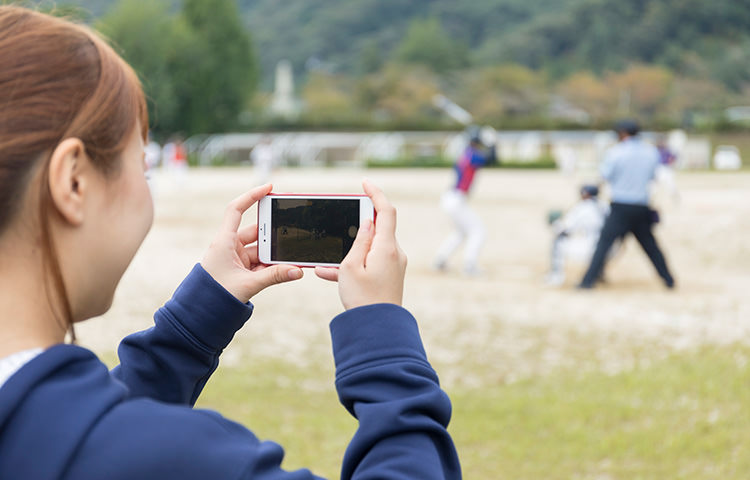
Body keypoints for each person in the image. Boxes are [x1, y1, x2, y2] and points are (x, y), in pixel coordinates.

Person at [0, 6, 460, 479]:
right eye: (143, 164)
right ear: (73, 182)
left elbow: (65, 430)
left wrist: (195, 322)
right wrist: (382, 331)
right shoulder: (177, 456)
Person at [577, 120, 675, 289]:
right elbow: (653, 176)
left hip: (620, 206)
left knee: (604, 244)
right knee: (651, 247)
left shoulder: (616, 152)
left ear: (622, 133)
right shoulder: (650, 152)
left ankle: (588, 282)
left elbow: (604, 176)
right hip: (641, 206)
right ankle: (669, 280)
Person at [434, 127, 496, 276]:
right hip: (456, 199)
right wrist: (493, 143)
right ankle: (470, 266)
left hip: (451, 197)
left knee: (460, 232)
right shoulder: (473, 155)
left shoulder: (466, 153)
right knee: (478, 231)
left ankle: (440, 260)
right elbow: (492, 160)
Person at [545, 185, 609, 286]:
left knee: (558, 241)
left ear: (585, 194)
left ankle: (556, 276)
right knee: (600, 240)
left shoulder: (582, 207)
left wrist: (554, 223)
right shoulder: (606, 206)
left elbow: (564, 229)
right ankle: (599, 273)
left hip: (591, 250)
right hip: (610, 250)